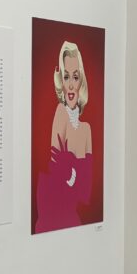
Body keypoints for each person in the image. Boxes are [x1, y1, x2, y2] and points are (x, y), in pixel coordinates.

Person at [34, 40, 94, 232]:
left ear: (81, 81)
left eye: (75, 77)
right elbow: (56, 168)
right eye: (66, 76)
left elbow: (85, 192)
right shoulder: (60, 112)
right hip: (51, 210)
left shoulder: (86, 129)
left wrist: (70, 166)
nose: (70, 85)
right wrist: (75, 170)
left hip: (69, 213)